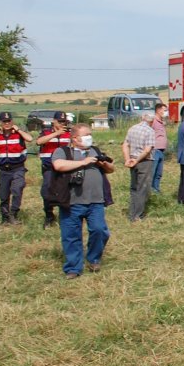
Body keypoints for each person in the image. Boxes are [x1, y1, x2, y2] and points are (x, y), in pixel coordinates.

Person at [51, 123, 115, 279]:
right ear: (74, 138)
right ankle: (73, 268)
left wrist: (103, 163)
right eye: (86, 135)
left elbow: (111, 168)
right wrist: (83, 162)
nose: (89, 138)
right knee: (71, 236)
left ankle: (94, 258)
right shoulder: (63, 151)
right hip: (71, 201)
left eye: (90, 134)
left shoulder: (95, 150)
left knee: (99, 230)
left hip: (96, 201)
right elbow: (58, 165)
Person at [0, 111, 33, 225]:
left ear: (12, 121)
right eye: (4, 121)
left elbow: (30, 139)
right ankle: (5, 218)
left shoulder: (18, 134)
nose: (7, 123)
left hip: (18, 168)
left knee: (17, 190)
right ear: (0, 122)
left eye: (9, 121)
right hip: (4, 169)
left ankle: (13, 214)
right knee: (3, 195)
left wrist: (18, 130)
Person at [36, 112, 73, 228]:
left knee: (66, 192)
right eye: (60, 122)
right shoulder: (46, 132)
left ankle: (66, 216)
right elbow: (39, 142)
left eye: (64, 122)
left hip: (65, 166)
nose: (62, 124)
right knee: (47, 191)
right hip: (49, 167)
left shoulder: (69, 134)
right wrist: (56, 133)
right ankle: (49, 215)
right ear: (54, 121)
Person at [122, 111, 156, 222]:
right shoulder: (150, 131)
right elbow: (147, 150)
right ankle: (137, 215)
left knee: (134, 188)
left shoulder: (132, 128)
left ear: (142, 118)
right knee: (142, 188)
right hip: (144, 161)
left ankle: (132, 213)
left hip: (132, 159)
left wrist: (128, 159)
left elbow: (125, 145)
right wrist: (137, 160)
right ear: (152, 121)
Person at [150, 103, 169, 193]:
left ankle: (156, 190)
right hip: (155, 150)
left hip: (161, 150)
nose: (166, 112)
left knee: (159, 173)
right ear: (158, 110)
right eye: (164, 110)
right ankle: (150, 190)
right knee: (152, 172)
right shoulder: (153, 121)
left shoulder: (161, 122)